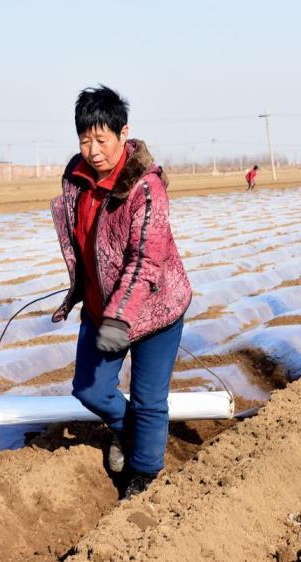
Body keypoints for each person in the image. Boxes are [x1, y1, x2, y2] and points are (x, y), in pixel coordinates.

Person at [51, 86, 192, 499]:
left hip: (154, 309)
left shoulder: (145, 188)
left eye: (101, 138)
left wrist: (120, 315)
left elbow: (146, 260)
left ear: (123, 133)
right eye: (84, 139)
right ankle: (126, 430)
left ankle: (143, 478)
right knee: (89, 389)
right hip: (101, 310)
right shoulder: (75, 178)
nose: (92, 150)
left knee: (150, 400)